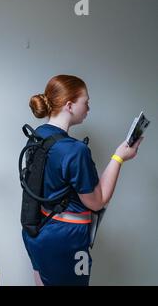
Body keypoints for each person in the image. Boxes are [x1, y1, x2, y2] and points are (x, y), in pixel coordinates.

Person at [22, 74, 143, 286]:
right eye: (85, 102)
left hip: (37, 233)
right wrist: (118, 157)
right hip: (66, 241)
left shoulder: (38, 135)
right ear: (69, 105)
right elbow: (98, 200)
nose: (88, 108)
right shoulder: (74, 150)